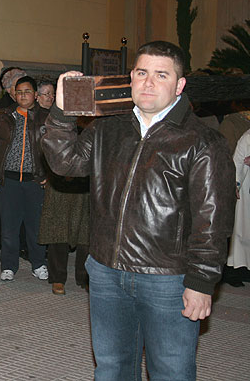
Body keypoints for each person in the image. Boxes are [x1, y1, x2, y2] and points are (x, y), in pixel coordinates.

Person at [41, 41, 235, 380]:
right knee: (112, 368)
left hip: (168, 280)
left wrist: (202, 282)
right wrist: (60, 113)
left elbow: (213, 221)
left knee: (171, 372)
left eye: (162, 75)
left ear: (179, 85)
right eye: (142, 73)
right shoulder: (107, 129)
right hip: (106, 272)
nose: (149, 83)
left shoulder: (203, 142)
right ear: (131, 78)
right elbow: (64, 163)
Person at [0, 75, 48, 281]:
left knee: (35, 226)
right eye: (19, 92)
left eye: (27, 91)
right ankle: (8, 265)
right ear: (13, 94)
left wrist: (50, 174)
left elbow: (54, 149)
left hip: (34, 181)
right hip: (9, 180)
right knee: (9, 227)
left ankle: (38, 263)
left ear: (36, 95)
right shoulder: (4, 115)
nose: (23, 95)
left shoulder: (45, 118)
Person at [0, 67, 27, 249]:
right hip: (2, 166)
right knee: (3, 209)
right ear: (10, 89)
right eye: (20, 87)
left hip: (20, 168)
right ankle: (1, 241)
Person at [228, 128, 250, 284]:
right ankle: (237, 271)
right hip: (247, 192)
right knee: (242, 233)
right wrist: (235, 184)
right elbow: (238, 162)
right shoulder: (247, 137)